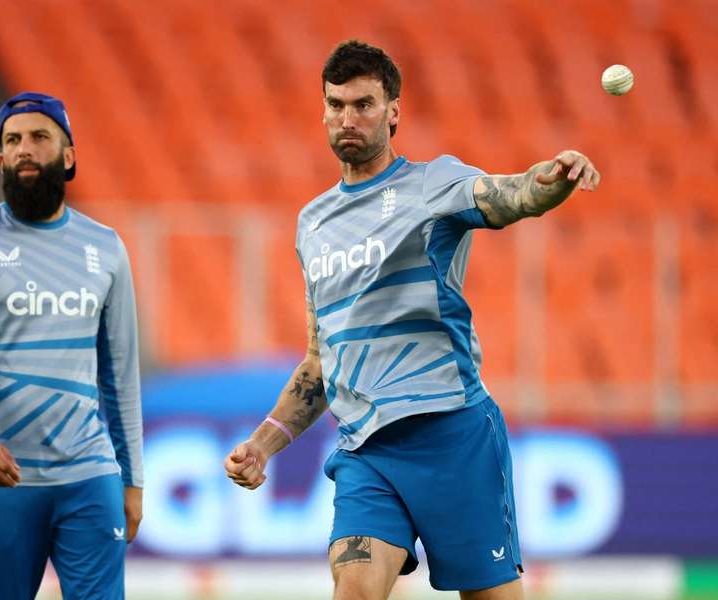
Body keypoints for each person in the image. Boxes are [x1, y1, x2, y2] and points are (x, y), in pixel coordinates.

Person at [223, 40, 600, 600]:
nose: (348, 119)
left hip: (452, 433)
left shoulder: (432, 186)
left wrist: (548, 182)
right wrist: (262, 445)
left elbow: (508, 195)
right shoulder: (312, 223)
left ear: (394, 110)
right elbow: (320, 359)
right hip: (366, 451)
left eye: (364, 104)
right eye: (336, 105)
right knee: (353, 592)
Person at [0, 92, 143, 600]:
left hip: (90, 473)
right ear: (0, 160)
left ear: (68, 156)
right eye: (13, 140)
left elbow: (121, 373)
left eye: (39, 137)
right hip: (2, 479)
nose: (25, 149)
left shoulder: (105, 248)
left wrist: (133, 479)